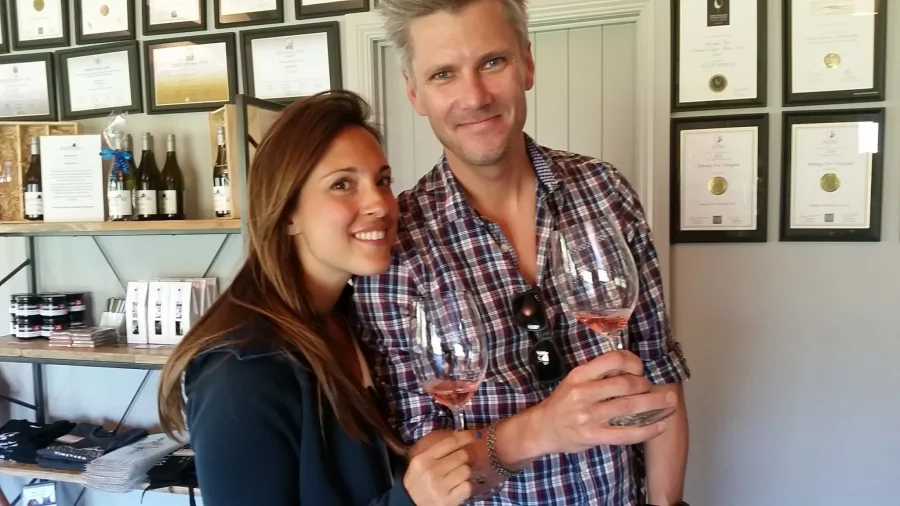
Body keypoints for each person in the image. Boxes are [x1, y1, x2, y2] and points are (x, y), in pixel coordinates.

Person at [353, 1, 691, 505]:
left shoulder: (604, 190)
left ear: (527, 64)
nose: (474, 96)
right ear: (414, 92)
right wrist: (548, 427)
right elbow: (426, 451)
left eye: (493, 62)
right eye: (444, 73)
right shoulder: (395, 248)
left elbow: (658, 372)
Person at [156, 90, 480, 506]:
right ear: (287, 212)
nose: (380, 204)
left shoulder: (353, 319)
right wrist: (410, 501)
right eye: (342, 184)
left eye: (382, 180)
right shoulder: (241, 374)